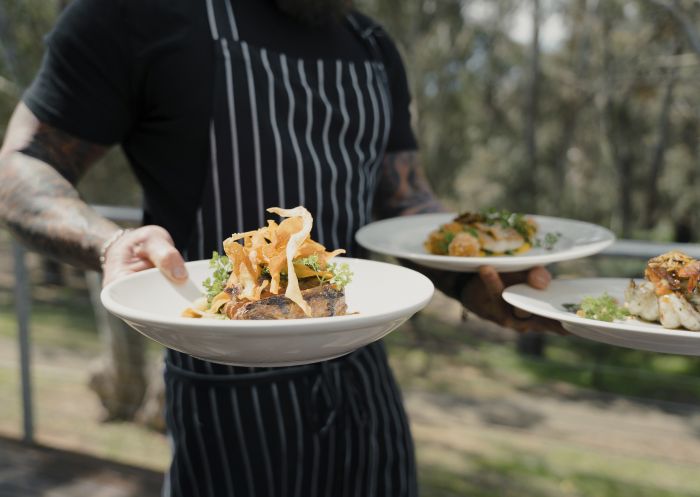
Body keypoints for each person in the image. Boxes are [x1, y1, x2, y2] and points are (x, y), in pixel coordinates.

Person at [0, 0, 555, 495]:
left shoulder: (372, 46)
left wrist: (475, 276)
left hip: (365, 386)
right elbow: (20, 168)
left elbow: (404, 203)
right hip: (226, 406)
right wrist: (109, 243)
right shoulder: (133, 14)